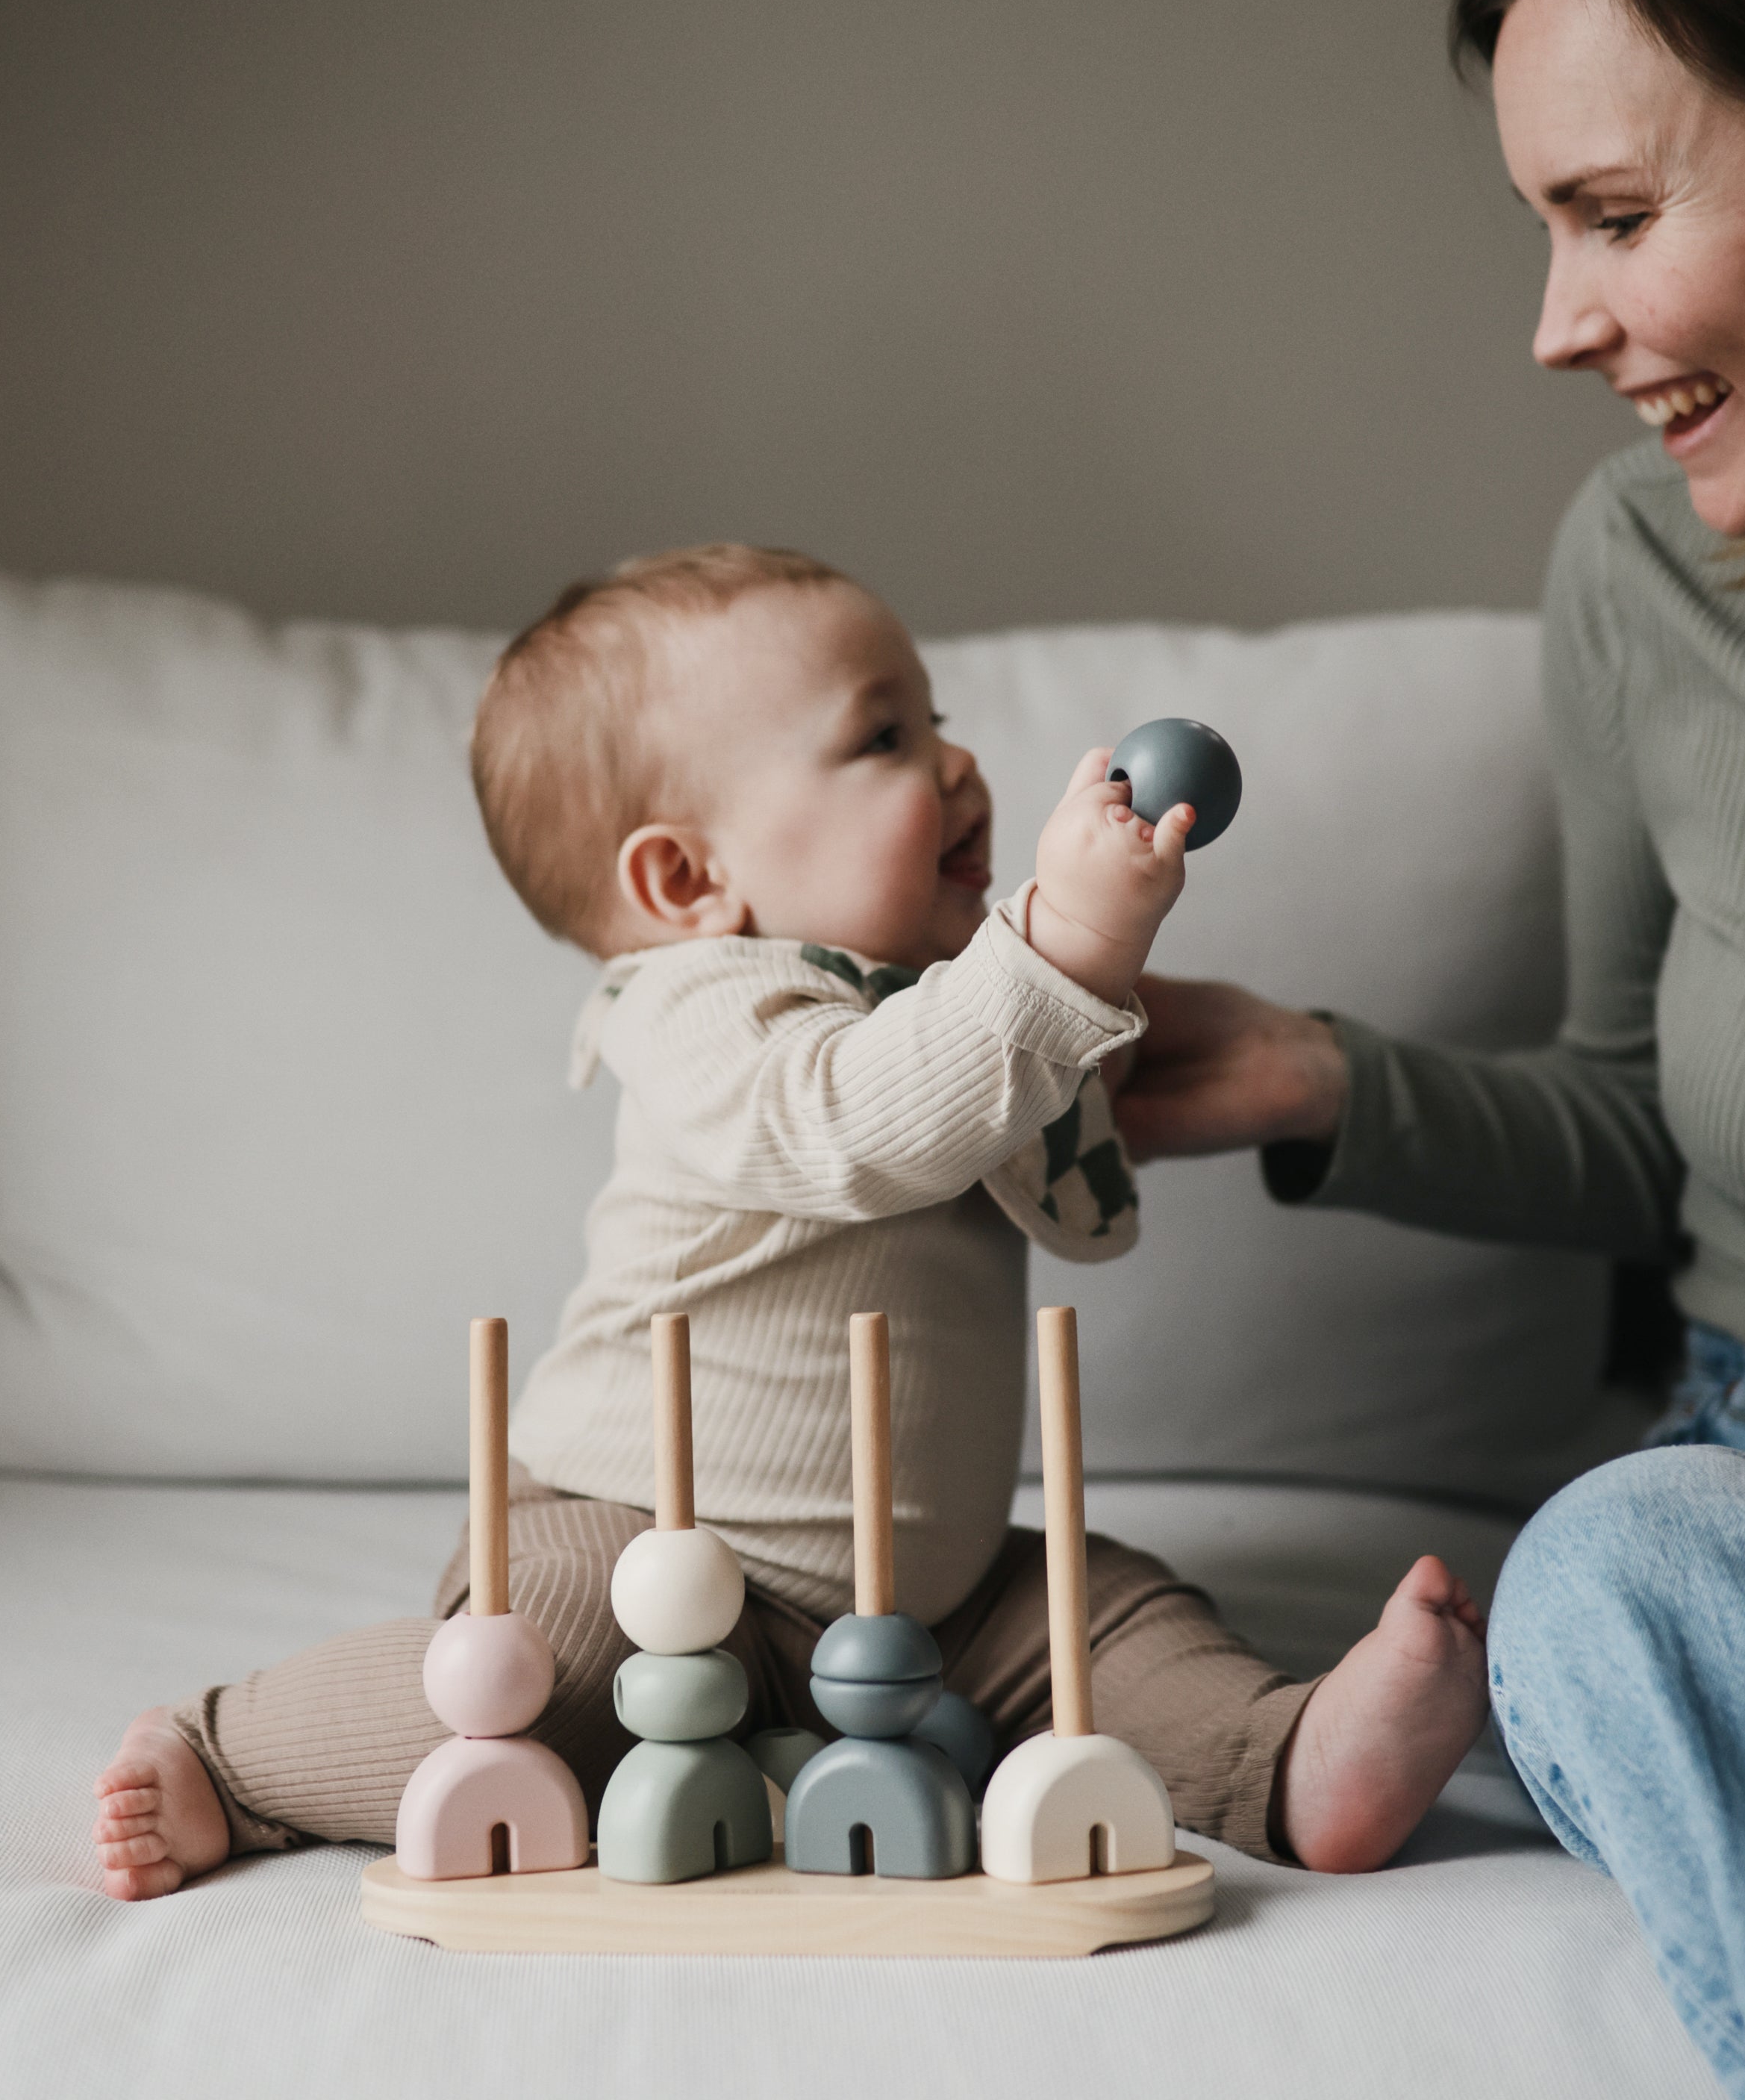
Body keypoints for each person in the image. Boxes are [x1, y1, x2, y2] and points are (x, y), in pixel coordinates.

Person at [1112, 0, 1745, 2095]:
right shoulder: (1647, 577)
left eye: (1615, 213)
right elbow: (1639, 1118)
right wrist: (1316, 1077)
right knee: (1610, 1577)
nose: (1554, 324)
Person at [90, 543, 1489, 1901]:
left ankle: (1291, 1759)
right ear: (689, 885)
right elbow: (859, 1122)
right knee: (538, 1683)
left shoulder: (946, 1001)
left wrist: (1105, 1019)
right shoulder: (699, 1011)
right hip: (636, 1533)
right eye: (882, 738)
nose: (954, 763)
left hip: (920, 1598)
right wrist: (1056, 945)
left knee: (1097, 1613)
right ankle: (234, 1755)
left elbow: (984, 1076)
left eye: (934, 717)